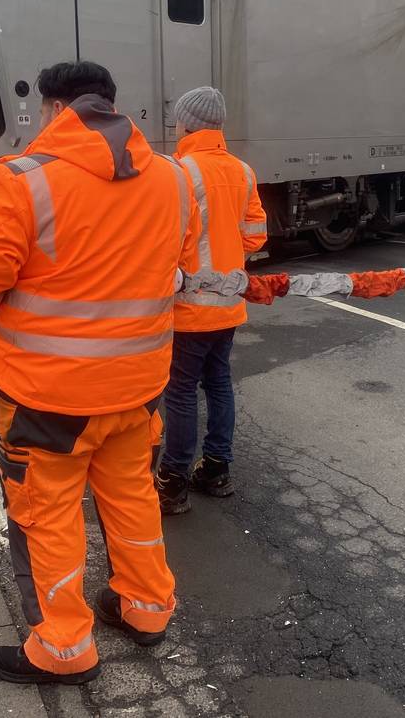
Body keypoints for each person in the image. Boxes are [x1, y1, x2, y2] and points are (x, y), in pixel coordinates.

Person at [0, 61, 199, 686]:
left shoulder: (23, 181)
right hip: (138, 386)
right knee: (132, 497)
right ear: (111, 105)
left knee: (47, 513)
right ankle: (145, 608)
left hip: (48, 396)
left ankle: (63, 648)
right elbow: (178, 268)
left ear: (56, 110)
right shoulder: (171, 178)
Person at [155, 87, 267, 515]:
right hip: (229, 302)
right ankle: (216, 470)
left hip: (188, 306)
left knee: (181, 391)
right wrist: (227, 252)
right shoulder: (243, 171)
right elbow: (256, 234)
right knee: (218, 383)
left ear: (187, 123)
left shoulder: (179, 171)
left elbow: (166, 240)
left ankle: (173, 482)